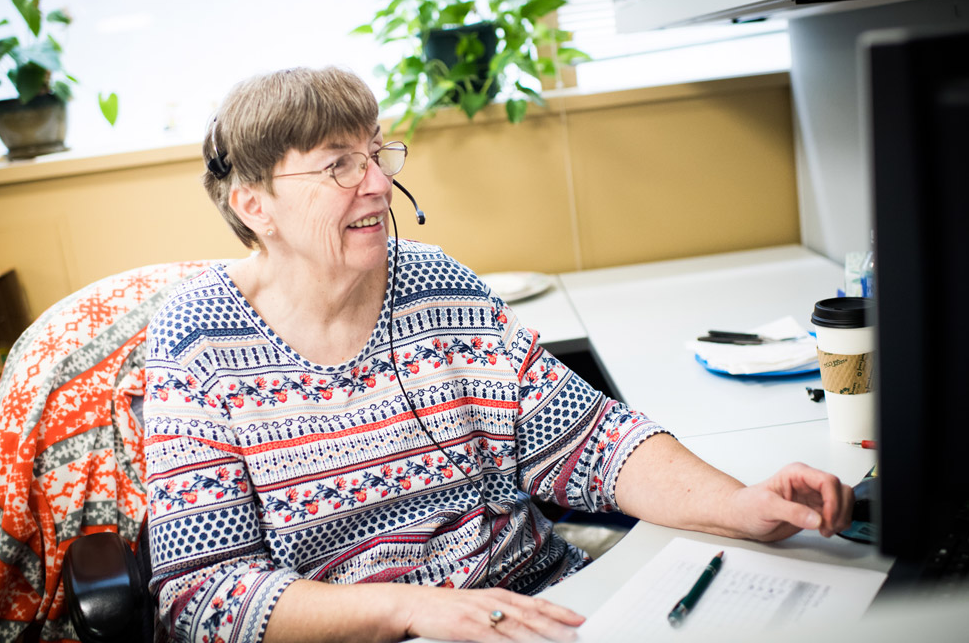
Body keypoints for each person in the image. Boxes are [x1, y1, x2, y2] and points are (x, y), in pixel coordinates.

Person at [142, 67, 854, 643]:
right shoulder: (197, 341)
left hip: (541, 608)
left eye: (375, 152)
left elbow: (590, 439)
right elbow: (204, 595)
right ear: (254, 206)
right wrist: (408, 610)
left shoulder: (434, 283)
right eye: (337, 165)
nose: (379, 184)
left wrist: (737, 502)